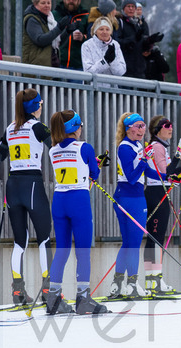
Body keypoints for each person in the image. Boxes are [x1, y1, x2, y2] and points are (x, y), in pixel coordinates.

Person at [43, 109, 108, 315]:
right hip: (78, 200)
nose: (82, 129)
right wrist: (95, 165)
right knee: (83, 250)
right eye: (80, 125)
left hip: (60, 200)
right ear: (75, 127)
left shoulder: (53, 149)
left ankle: (53, 298)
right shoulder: (85, 147)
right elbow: (94, 174)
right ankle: (83, 298)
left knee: (62, 249)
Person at [0, 89, 54, 305]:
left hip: (13, 186)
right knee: (44, 238)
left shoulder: (10, 128)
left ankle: (18, 291)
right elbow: (56, 147)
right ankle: (48, 292)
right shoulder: (37, 126)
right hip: (32, 184)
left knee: (21, 241)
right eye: (40, 103)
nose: (41, 107)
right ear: (34, 107)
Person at [107, 112, 165, 298]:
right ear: (128, 128)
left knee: (128, 243)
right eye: (138, 126)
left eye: (143, 126)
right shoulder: (125, 148)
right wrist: (143, 159)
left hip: (130, 198)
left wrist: (167, 177)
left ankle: (117, 284)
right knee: (133, 244)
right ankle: (131, 284)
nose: (142, 130)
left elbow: (147, 170)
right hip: (131, 198)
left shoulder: (137, 145)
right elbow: (132, 177)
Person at [143, 115, 181, 294]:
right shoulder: (156, 147)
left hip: (160, 192)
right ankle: (153, 281)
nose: (171, 128)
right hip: (156, 194)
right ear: (157, 130)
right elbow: (167, 173)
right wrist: (178, 154)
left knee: (157, 239)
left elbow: (171, 174)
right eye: (166, 125)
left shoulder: (161, 147)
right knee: (155, 239)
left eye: (171, 124)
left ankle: (154, 281)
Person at [22, 0, 71, 67]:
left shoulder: (50, 20)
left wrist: (67, 31)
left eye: (49, 3)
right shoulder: (32, 19)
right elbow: (40, 40)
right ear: (35, 4)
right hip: (37, 67)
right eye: (43, 3)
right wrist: (59, 28)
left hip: (52, 64)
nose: (47, 5)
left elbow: (56, 41)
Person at [116, 0, 157, 79]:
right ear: (123, 8)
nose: (131, 9)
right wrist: (132, 39)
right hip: (125, 69)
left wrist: (150, 42)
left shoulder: (138, 24)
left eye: (133, 7)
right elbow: (117, 43)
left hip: (139, 69)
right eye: (128, 6)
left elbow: (141, 46)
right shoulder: (120, 22)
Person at [52, 0, 89, 71]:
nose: (71, 1)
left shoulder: (85, 17)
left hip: (77, 65)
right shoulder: (54, 15)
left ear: (79, 1)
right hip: (57, 63)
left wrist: (82, 37)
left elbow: (93, 38)